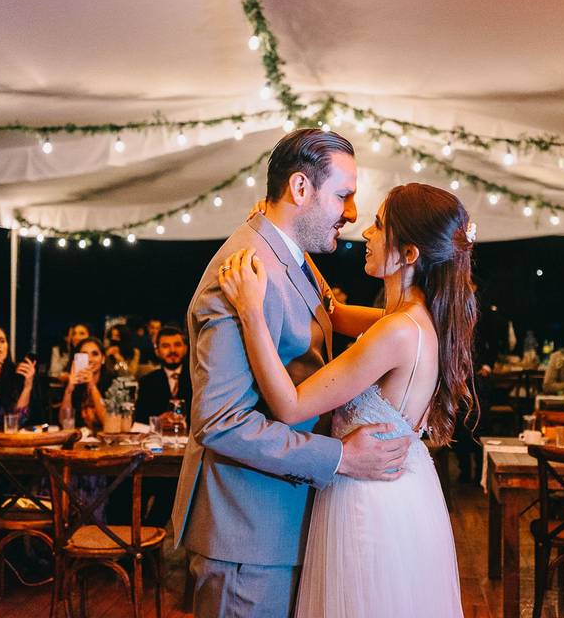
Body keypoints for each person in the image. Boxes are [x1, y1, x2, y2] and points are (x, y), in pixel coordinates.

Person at [171, 129, 414, 618]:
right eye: (343, 196)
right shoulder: (240, 275)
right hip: (248, 538)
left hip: (283, 524)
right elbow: (220, 422)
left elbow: (332, 317)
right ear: (300, 189)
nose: (351, 214)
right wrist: (339, 458)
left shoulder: (290, 257)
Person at [220, 181, 471, 617]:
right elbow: (330, 310)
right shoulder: (408, 319)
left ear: (409, 254)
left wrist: (251, 314)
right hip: (401, 492)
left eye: (378, 226)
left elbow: (291, 406)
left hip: (370, 504)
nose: (366, 235)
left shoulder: (395, 332)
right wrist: (282, 236)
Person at [135, 326, 191, 425]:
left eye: (177, 345)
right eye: (166, 346)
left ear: (186, 348)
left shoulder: (198, 379)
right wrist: (158, 421)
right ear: (157, 351)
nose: (172, 350)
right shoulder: (147, 382)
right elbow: (140, 420)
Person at [61, 337, 114, 431]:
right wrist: (69, 389)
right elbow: (63, 421)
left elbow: (108, 423)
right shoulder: (73, 383)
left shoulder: (113, 383)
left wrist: (92, 386)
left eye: (95, 354)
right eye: (84, 355)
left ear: (103, 359)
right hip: (80, 439)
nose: (89, 359)